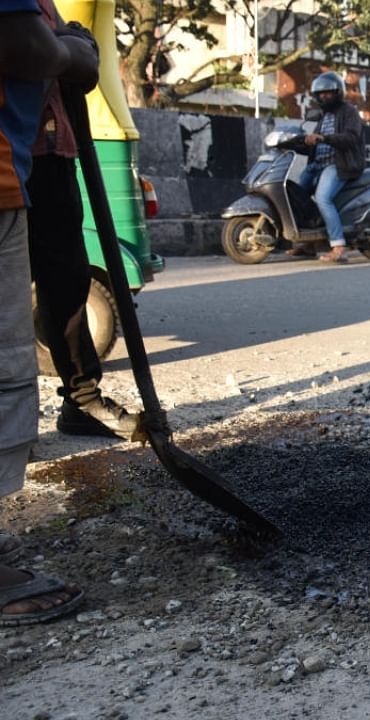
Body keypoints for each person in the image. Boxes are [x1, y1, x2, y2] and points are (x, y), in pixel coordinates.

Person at [0, 0, 98, 626]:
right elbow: (22, 43)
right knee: (1, 368)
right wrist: (71, 52)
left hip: (31, 167)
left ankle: (83, 391)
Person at [28, 0, 141, 441]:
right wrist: (69, 49)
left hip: (52, 156)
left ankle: (82, 400)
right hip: (14, 157)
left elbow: (82, 69)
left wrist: (73, 48)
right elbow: (34, 57)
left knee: (69, 283)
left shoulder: (43, 3)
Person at [286, 71, 365, 264]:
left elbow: (351, 138)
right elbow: (314, 145)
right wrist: (294, 143)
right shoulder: (323, 117)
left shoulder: (349, 112)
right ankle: (308, 243)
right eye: (320, 94)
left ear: (338, 92)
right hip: (317, 166)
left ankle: (339, 246)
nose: (324, 96)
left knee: (323, 198)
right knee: (296, 196)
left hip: (339, 165)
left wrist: (323, 138)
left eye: (328, 93)